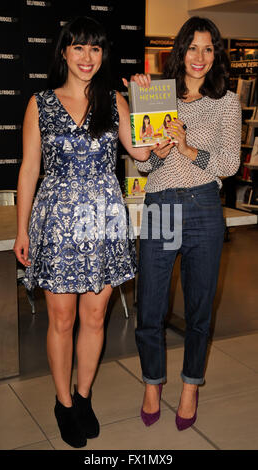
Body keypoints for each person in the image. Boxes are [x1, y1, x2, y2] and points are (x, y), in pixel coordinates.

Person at [13, 16, 173, 448]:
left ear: (103, 56)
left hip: (103, 220)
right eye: (79, 48)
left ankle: (84, 397)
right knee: (61, 320)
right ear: (64, 52)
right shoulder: (40, 103)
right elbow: (28, 171)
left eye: (96, 49)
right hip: (58, 223)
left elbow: (140, 152)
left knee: (96, 316)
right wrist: (21, 230)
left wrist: (152, 110)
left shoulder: (114, 100)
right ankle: (63, 403)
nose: (88, 57)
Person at [127, 16, 241, 430]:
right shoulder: (158, 94)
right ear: (180, 50)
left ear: (217, 55)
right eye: (193, 47)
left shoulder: (226, 102)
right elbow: (144, 168)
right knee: (150, 307)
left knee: (198, 307)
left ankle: (191, 385)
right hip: (161, 206)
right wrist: (156, 146)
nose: (200, 57)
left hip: (204, 207)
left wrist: (188, 148)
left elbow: (230, 163)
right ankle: (152, 383)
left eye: (208, 49)